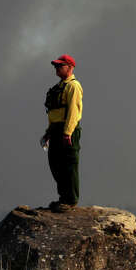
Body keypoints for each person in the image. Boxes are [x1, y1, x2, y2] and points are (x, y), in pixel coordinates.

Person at [41, 54, 82, 211]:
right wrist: (48, 132)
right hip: (56, 129)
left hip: (68, 130)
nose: (57, 68)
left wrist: (68, 132)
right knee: (55, 163)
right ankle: (63, 198)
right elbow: (54, 112)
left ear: (70, 68)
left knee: (69, 165)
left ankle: (70, 200)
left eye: (60, 65)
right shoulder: (59, 87)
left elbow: (73, 111)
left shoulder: (73, 86)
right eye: (56, 66)